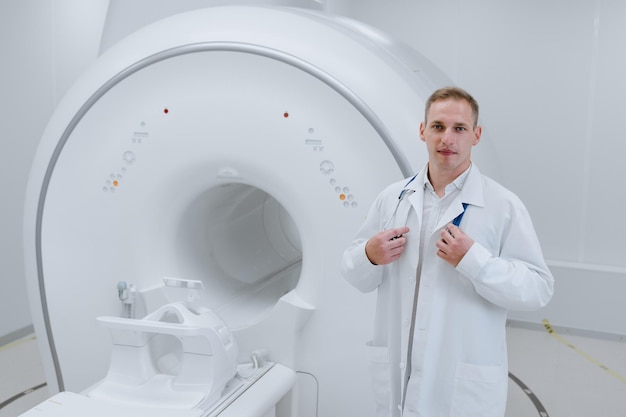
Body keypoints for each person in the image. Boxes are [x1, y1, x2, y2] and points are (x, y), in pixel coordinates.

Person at [341, 86, 554, 417]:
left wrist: (473, 261)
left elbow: (538, 289)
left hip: (461, 386)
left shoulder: (502, 206)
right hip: (398, 378)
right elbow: (354, 272)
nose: (447, 139)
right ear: (423, 130)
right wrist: (369, 254)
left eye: (460, 129)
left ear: (476, 135)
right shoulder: (392, 198)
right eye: (438, 127)